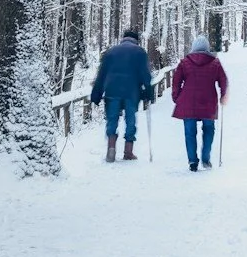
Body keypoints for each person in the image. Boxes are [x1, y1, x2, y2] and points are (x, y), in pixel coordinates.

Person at [88, 25, 154, 161]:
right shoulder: (140, 52)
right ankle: (128, 151)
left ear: (123, 39)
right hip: (131, 92)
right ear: (136, 40)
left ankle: (111, 148)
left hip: (112, 90)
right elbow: (145, 75)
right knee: (130, 120)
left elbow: (102, 74)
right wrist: (149, 92)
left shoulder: (110, 52)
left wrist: (96, 93)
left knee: (112, 119)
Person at [169, 32, 228, 171]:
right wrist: (223, 95)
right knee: (209, 130)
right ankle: (206, 158)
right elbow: (223, 81)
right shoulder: (215, 63)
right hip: (209, 102)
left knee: (190, 132)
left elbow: (176, 81)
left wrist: (176, 98)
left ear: (193, 48)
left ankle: (192, 161)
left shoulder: (185, 62)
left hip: (188, 102)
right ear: (207, 48)